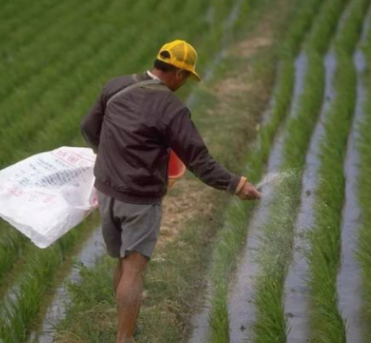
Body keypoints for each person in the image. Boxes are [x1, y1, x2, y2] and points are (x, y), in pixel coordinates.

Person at [81, 39, 261, 343]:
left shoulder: (116, 85)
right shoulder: (171, 108)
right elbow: (199, 161)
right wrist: (236, 184)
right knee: (134, 269)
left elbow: (88, 127)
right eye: (187, 77)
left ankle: (124, 328)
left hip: (107, 190)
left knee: (122, 264)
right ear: (178, 74)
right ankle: (125, 339)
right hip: (139, 199)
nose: (185, 83)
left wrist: (111, 156)